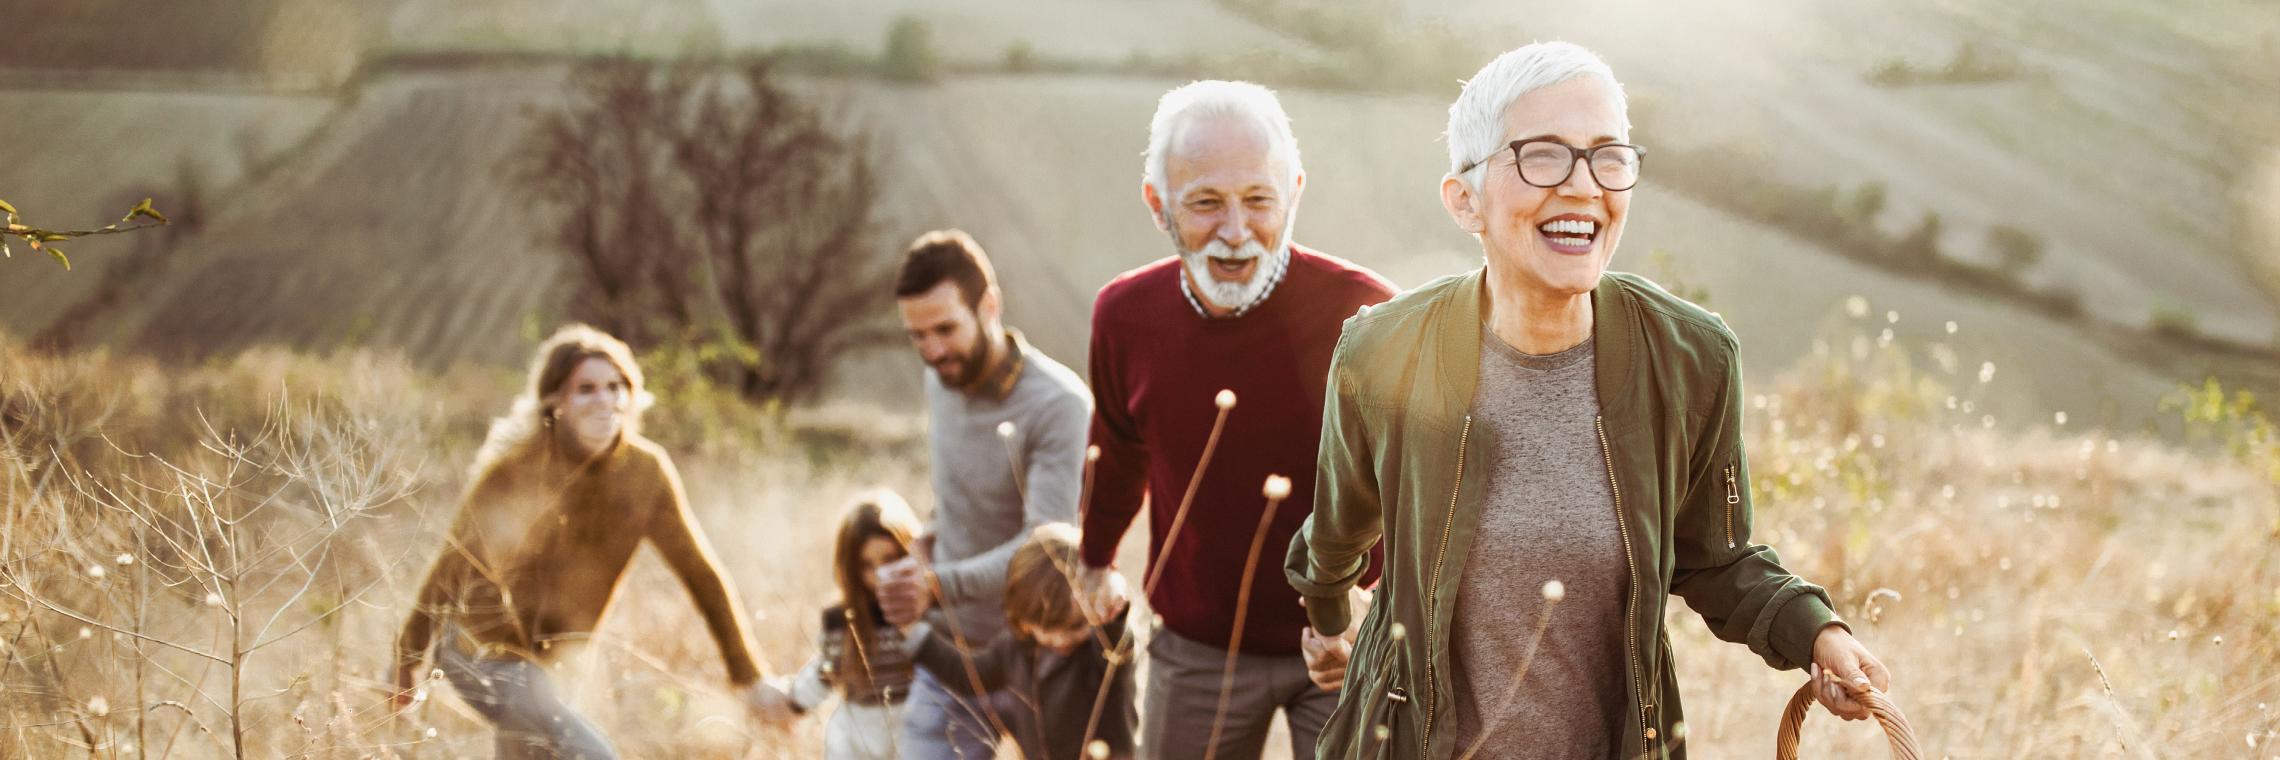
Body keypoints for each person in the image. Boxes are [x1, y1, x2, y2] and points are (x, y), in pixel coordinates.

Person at [1284, 42, 1894, 760]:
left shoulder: (1690, 358)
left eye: (1608, 156)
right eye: (1542, 156)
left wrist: (1819, 635)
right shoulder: (1383, 350)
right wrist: (1331, 621)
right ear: (1465, 200)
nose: (1583, 186)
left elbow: (1715, 558)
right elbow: (1334, 537)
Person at [1076, 80, 1395, 760]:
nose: (1235, 231)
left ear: (1295, 194)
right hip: (1198, 645)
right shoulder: (1124, 316)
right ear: (1158, 204)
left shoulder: (1367, 315)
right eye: (1205, 203)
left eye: (1258, 201)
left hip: (1347, 638)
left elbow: (1415, 488)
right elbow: (1118, 445)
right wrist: (1096, 558)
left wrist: (1368, 604)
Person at [391, 324, 774, 759]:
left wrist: (749, 678)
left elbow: (701, 576)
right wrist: (407, 658)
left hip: (558, 666)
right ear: (555, 402)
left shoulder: (646, 473)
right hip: (481, 653)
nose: (605, 400)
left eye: (616, 387)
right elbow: (451, 565)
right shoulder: (516, 472)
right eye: (586, 389)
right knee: (594, 755)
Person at [875, 229, 1094, 759]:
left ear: (989, 306)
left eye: (946, 330)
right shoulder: (941, 381)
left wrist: (936, 585)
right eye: (918, 336)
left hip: (1041, 657)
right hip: (949, 652)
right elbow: (954, 497)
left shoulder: (1058, 405)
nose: (933, 351)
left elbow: (1043, 547)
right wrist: (926, 542)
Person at [904, 523, 1138, 760]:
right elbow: (968, 675)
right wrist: (916, 635)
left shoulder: (1100, 656)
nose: (1060, 639)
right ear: (1024, 618)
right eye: (1046, 629)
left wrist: (1113, 613)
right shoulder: (1016, 649)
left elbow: (1119, 648)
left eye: (1076, 627)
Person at [779, 491, 925, 760]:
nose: (880, 574)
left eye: (890, 560)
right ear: (850, 567)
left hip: (911, 727)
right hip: (858, 734)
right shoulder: (841, 619)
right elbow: (827, 668)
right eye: (866, 565)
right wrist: (795, 702)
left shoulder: (923, 611)